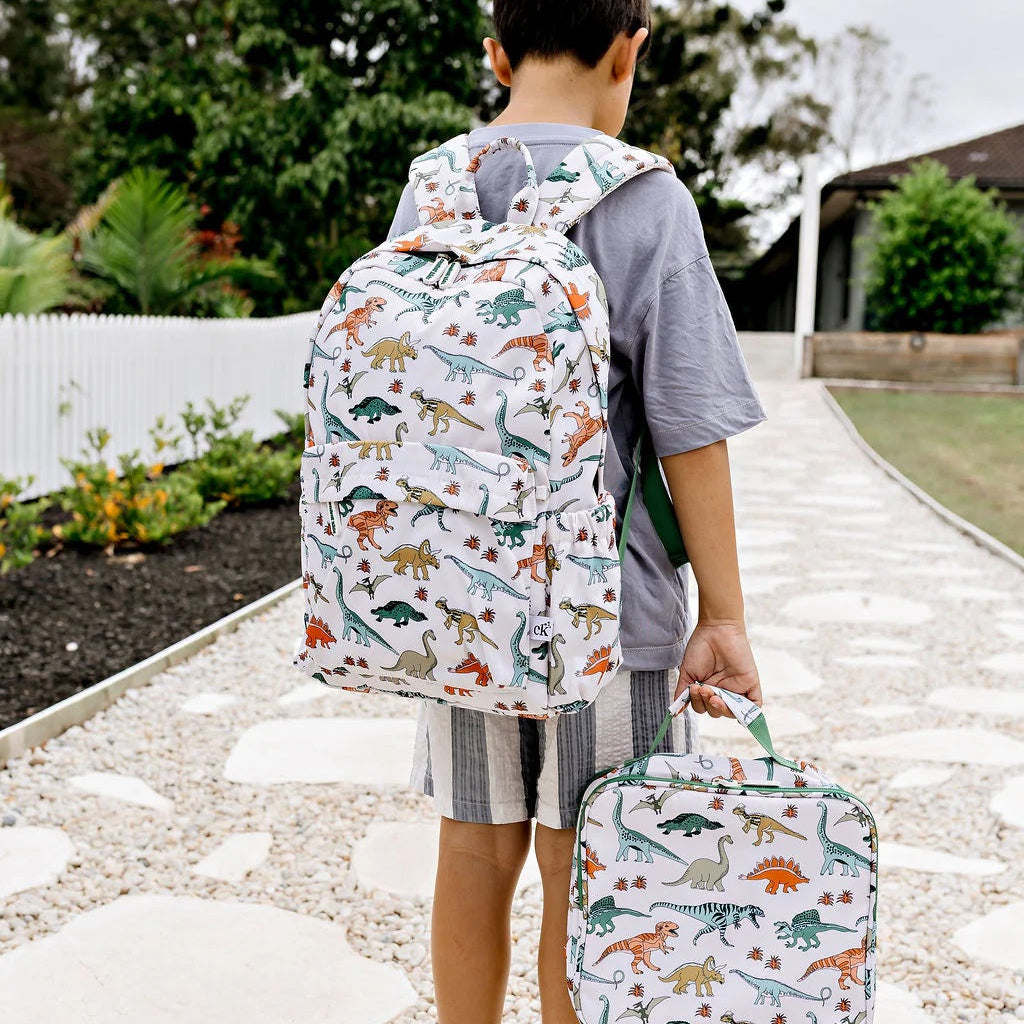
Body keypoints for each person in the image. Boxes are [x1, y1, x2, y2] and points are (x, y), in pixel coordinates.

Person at [385, 3, 766, 1022]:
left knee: (472, 844)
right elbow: (690, 428)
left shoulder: (429, 190)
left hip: (461, 596)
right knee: (588, 856)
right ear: (629, 48)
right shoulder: (646, 200)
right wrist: (721, 616)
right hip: (609, 620)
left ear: (496, 54)